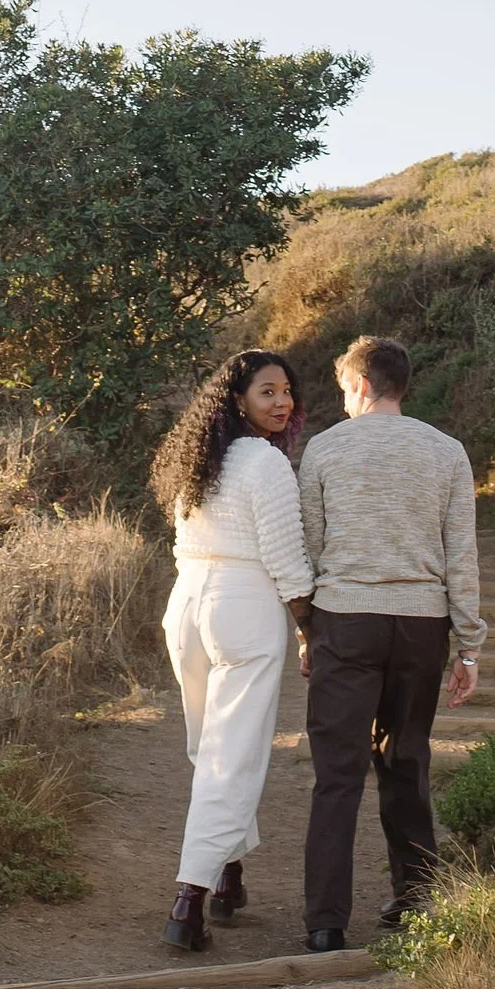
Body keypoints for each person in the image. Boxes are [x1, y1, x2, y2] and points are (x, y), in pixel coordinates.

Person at [295, 334, 483, 951]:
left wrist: (309, 630)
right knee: (407, 762)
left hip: (345, 619)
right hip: (421, 626)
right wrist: (470, 648)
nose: (345, 402)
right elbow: (461, 556)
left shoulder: (323, 451)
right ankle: (416, 900)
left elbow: (312, 551)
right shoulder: (448, 452)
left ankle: (326, 922)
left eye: (346, 391)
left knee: (337, 774)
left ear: (362, 386)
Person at [148, 347, 314, 955]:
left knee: (208, 747)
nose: (282, 402)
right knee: (230, 756)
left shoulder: (199, 460)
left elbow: (181, 540)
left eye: (287, 391)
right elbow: (286, 557)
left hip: (187, 602)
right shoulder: (265, 465)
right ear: (238, 399)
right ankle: (188, 899)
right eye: (267, 392)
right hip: (242, 605)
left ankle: (227, 873)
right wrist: (309, 624)